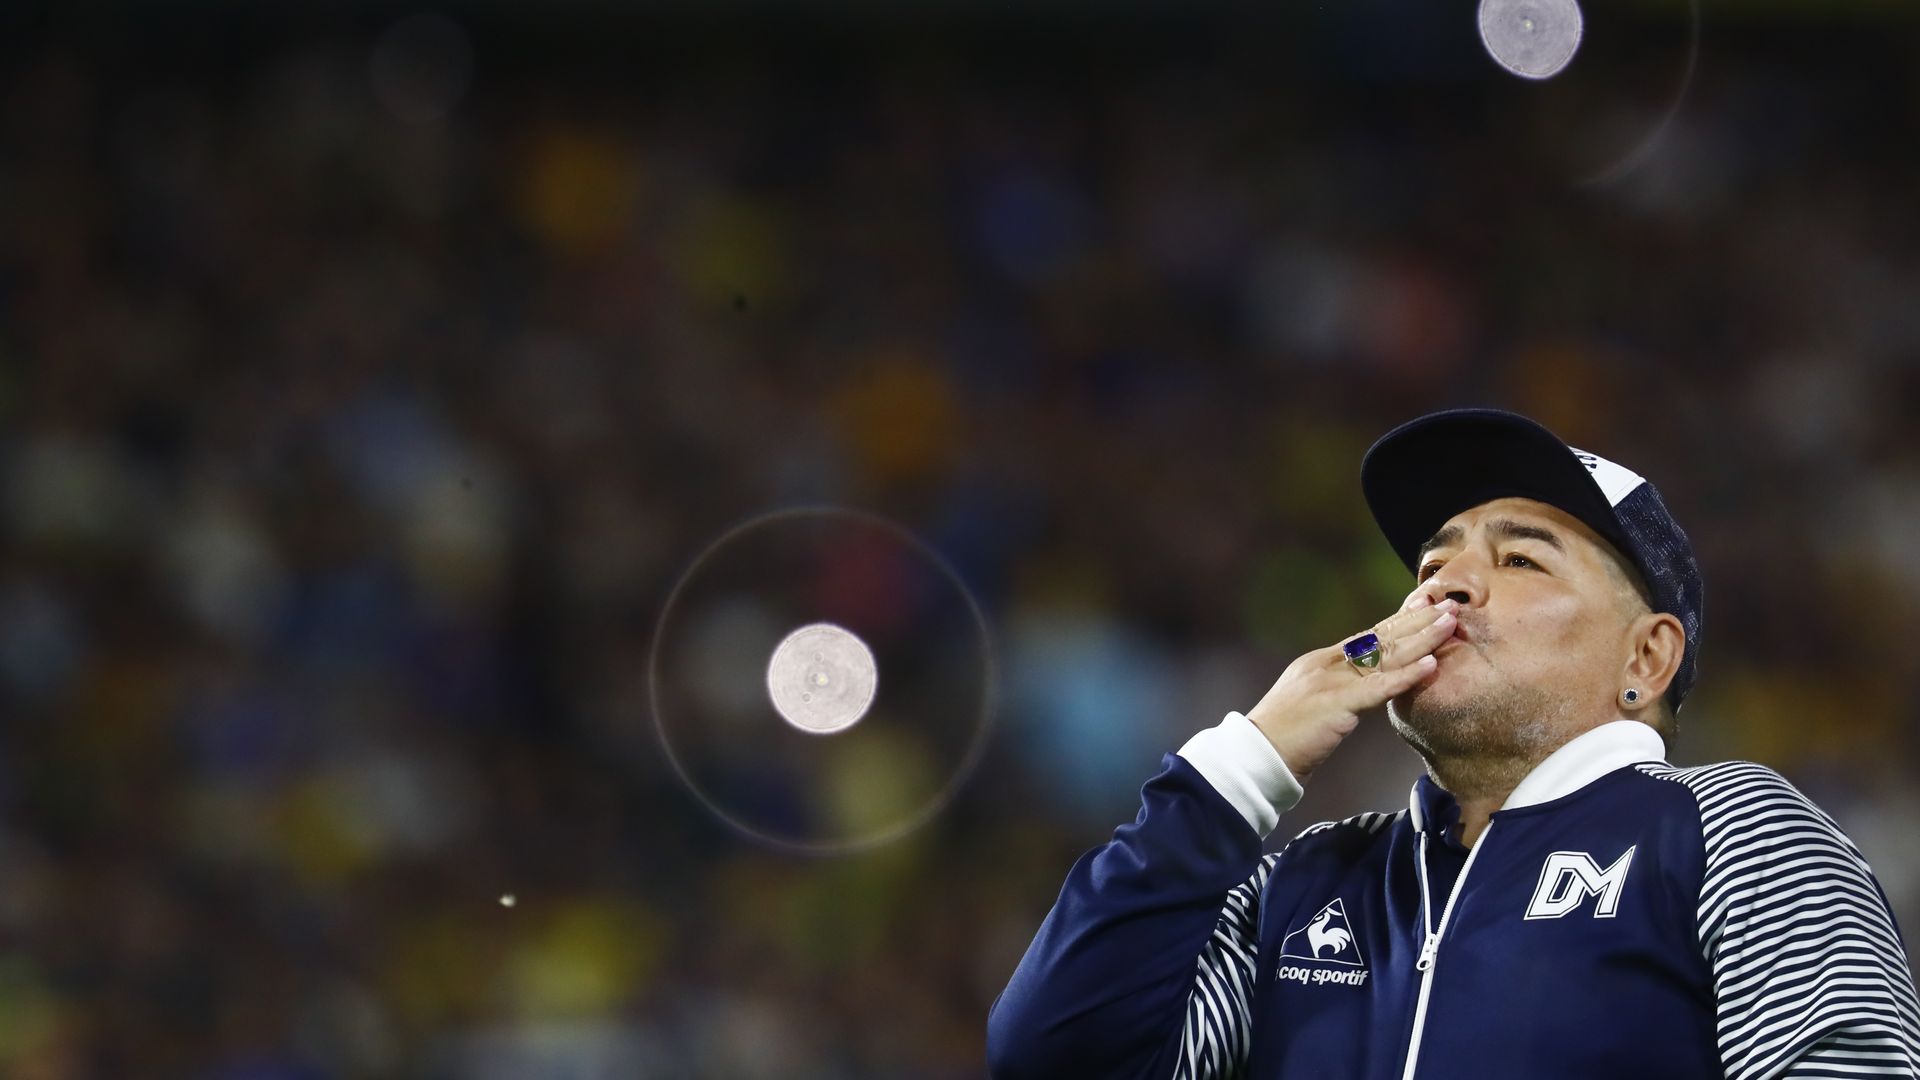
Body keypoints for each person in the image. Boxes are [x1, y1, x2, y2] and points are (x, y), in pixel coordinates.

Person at [986, 408, 1920, 1079]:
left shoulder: (1730, 830)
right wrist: (1243, 765)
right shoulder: (1308, 878)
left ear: (1647, 654)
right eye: (1433, 564)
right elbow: (1053, 1055)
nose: (1446, 588)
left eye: (1519, 559)